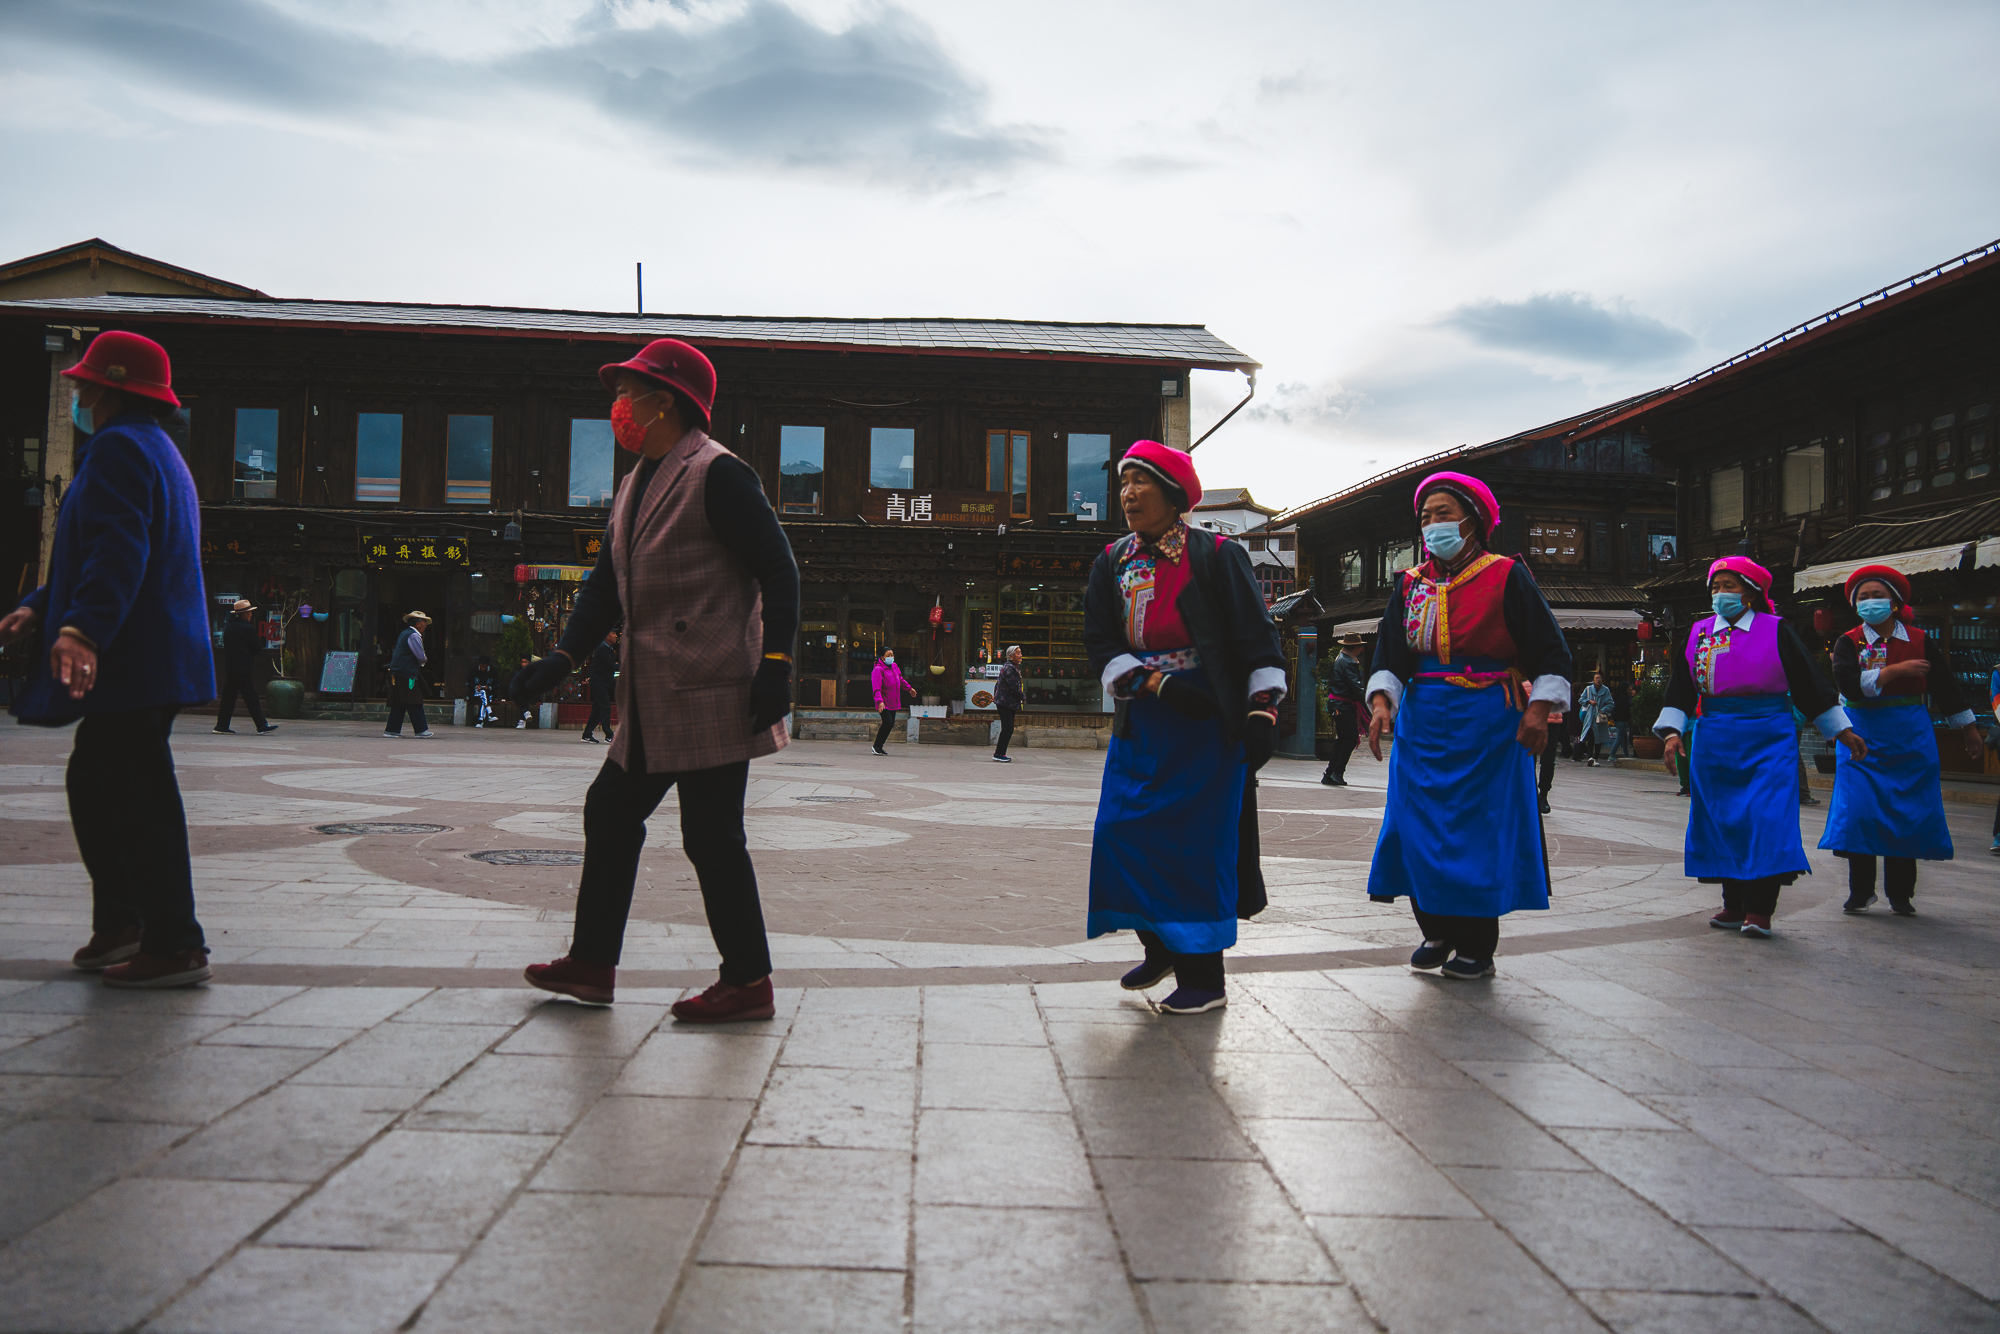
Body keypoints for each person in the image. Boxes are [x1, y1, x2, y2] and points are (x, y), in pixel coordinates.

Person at [514, 338, 798, 1019]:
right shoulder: (637, 481)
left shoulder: (718, 474)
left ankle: (748, 982)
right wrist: (562, 658)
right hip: (655, 698)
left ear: (663, 401)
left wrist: (778, 666)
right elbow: (605, 586)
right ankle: (591, 963)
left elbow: (779, 568)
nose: (617, 406)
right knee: (610, 811)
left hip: (714, 691)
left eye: (626, 393)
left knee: (710, 835)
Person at [0, 331, 214, 988]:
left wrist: (84, 631)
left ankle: (173, 941)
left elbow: (121, 551)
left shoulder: (120, 449)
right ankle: (124, 922)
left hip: (134, 656)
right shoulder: (159, 451)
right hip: (154, 654)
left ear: (111, 388)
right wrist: (41, 604)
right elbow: (97, 549)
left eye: (85, 383)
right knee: (100, 784)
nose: (77, 391)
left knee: (136, 796)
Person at [1085, 440, 1285, 1015]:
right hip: (1143, 723)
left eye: (1139, 482)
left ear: (1174, 494)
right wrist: (1152, 684)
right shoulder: (1114, 561)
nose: (1127, 495)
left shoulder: (1217, 555)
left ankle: (1205, 979)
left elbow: (1256, 635)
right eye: (1122, 484)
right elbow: (1100, 639)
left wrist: (1261, 710)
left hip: (1207, 725)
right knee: (1122, 835)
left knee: (1194, 850)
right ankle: (1161, 944)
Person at [1365, 472, 1571, 980]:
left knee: (1478, 830)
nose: (1433, 524)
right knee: (1414, 825)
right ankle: (1435, 928)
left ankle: (1477, 945)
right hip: (1424, 722)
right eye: (1426, 517)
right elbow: (1391, 653)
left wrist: (1539, 710)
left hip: (1489, 725)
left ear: (1473, 522)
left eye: (1443, 514)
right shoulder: (1410, 585)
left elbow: (1551, 652)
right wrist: (1382, 702)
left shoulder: (1506, 576)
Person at [1654, 557, 1865, 938]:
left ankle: (1760, 910)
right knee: (1723, 821)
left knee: (1766, 819)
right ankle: (1732, 904)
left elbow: (1808, 683)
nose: (1721, 594)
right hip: (1714, 737)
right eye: (1716, 587)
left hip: (1769, 736)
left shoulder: (1777, 630)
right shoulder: (1698, 633)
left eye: (1729, 586)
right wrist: (1672, 733)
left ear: (1751, 593)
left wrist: (1841, 730)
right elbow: (1682, 689)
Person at [1820, 565, 1980, 915]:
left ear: (1894, 602)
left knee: (1906, 814)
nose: (1870, 602)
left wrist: (1968, 728)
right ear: (1854, 604)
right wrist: (1894, 672)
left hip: (1910, 733)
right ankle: (1860, 891)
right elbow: (1847, 685)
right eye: (1863, 597)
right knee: (1860, 814)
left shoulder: (1920, 639)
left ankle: (1900, 894)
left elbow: (1945, 686)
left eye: (1877, 595)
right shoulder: (1849, 642)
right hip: (1861, 734)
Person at [213, 598, 278, 735]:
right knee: (250, 696)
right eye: (249, 613)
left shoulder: (229, 628)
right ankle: (261, 724)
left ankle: (222, 725)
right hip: (243, 668)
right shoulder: (247, 628)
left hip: (231, 667)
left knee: (229, 696)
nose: (250, 615)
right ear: (245, 614)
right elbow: (256, 648)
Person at [1320, 632, 1366, 786]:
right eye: (1360, 646)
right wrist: (1369, 702)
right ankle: (1337, 772)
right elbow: (1355, 687)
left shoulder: (1344, 659)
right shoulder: (1347, 662)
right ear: (1355, 647)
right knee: (1351, 737)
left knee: (1344, 738)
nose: (1361, 649)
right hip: (1341, 706)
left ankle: (1331, 773)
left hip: (1338, 705)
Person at [383, 610, 435, 738]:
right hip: (408, 675)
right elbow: (421, 657)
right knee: (414, 699)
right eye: (424, 622)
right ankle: (421, 730)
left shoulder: (404, 633)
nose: (425, 626)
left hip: (398, 674)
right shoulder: (414, 635)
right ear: (418, 624)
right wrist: (424, 661)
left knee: (400, 702)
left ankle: (392, 730)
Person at [870, 645, 916, 756]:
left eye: (892, 655)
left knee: (890, 724)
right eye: (888, 655)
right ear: (882, 657)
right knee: (888, 722)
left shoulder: (894, 666)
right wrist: (879, 701)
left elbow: (900, 679)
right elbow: (876, 687)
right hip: (884, 702)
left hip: (893, 701)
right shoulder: (878, 670)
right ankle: (876, 746)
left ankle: (879, 747)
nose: (891, 657)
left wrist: (909, 688)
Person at [582, 630, 618, 743]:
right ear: (607, 635)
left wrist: (589, 676)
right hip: (599, 683)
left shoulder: (607, 648)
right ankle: (609, 734)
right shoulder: (602, 648)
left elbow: (594, 664)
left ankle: (587, 734)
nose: (616, 636)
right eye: (614, 633)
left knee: (598, 710)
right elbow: (609, 665)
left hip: (602, 682)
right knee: (606, 706)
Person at [993, 645, 1023, 761]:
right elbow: (1015, 687)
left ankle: (1000, 753)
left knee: (1007, 727)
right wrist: (1023, 696)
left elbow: (998, 684)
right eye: (1018, 653)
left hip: (1006, 701)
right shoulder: (1010, 668)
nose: (1020, 655)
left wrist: (995, 695)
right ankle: (999, 754)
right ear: (1011, 656)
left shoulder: (1011, 667)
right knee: (1008, 728)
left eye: (1020, 653)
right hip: (1005, 702)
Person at [1577, 672, 1612, 766]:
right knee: (1591, 738)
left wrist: (1603, 709)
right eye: (1596, 678)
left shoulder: (1606, 690)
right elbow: (1581, 700)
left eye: (1600, 678)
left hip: (1600, 718)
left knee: (1599, 739)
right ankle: (1590, 758)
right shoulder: (1588, 689)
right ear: (1593, 680)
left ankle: (1596, 758)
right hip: (1590, 718)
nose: (1598, 680)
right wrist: (1589, 701)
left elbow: (1611, 704)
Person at [1537, 702, 1562, 815]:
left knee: (1548, 761)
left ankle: (1543, 795)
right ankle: (1528, 794)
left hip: (1552, 722)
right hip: (1527, 720)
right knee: (1526, 762)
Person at [468, 657, 498, 727]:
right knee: (483, 693)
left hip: (489, 694)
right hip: (475, 693)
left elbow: (497, 684)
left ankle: (480, 720)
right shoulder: (473, 670)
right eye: (482, 667)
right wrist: (476, 687)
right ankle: (490, 713)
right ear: (479, 664)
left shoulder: (493, 671)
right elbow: (469, 683)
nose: (483, 668)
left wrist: (489, 687)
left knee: (483, 696)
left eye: (485, 667)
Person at [1610, 684, 1632, 758]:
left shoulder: (1618, 697)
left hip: (1618, 720)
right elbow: (1624, 710)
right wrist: (1628, 717)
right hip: (1622, 720)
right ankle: (1611, 755)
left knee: (1625, 739)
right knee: (1619, 739)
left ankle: (1626, 755)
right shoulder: (1623, 697)